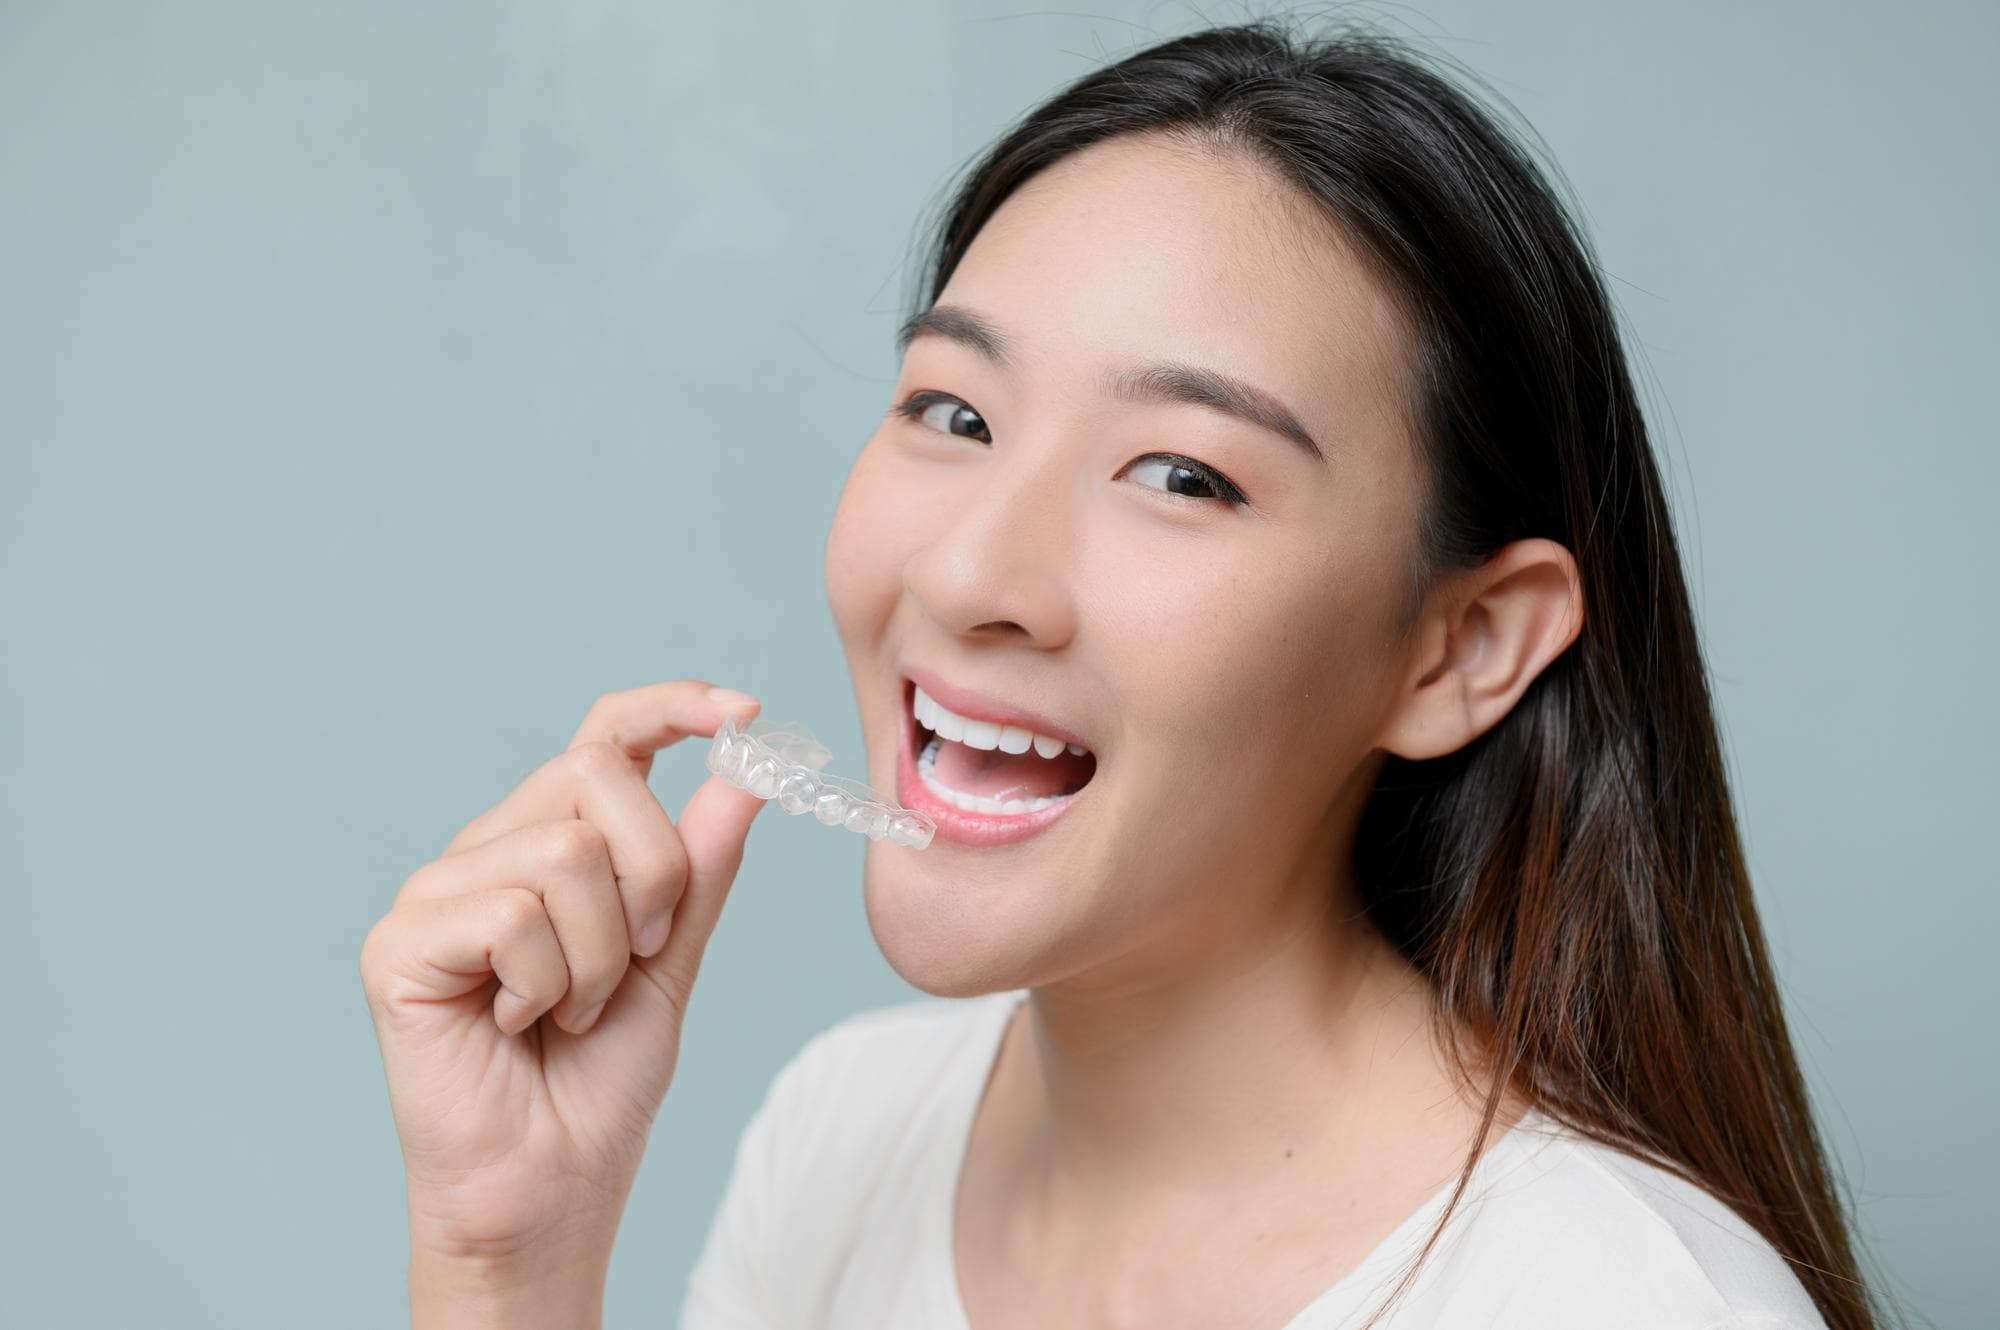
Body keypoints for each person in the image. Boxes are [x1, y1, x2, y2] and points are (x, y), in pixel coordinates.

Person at [359, 20, 1893, 1330]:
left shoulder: (1621, 1301)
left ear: (1461, 648)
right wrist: (508, 1258)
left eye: (1178, 473)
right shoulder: (842, 1133)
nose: (966, 576)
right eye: (953, 413)